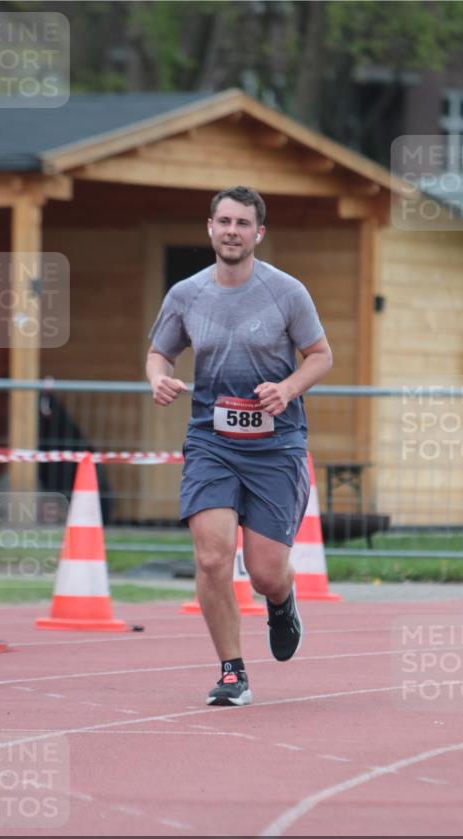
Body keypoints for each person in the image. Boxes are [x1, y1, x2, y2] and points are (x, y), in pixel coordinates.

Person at [146, 186, 333, 704]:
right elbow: (160, 353)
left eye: (242, 223)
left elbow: (320, 355)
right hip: (211, 439)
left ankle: (281, 599)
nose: (232, 231)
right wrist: (157, 378)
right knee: (211, 557)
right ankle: (232, 671)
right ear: (209, 228)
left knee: (266, 572)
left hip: (276, 444)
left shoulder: (286, 292)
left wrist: (288, 388)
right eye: (223, 221)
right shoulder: (186, 294)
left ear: (258, 234)